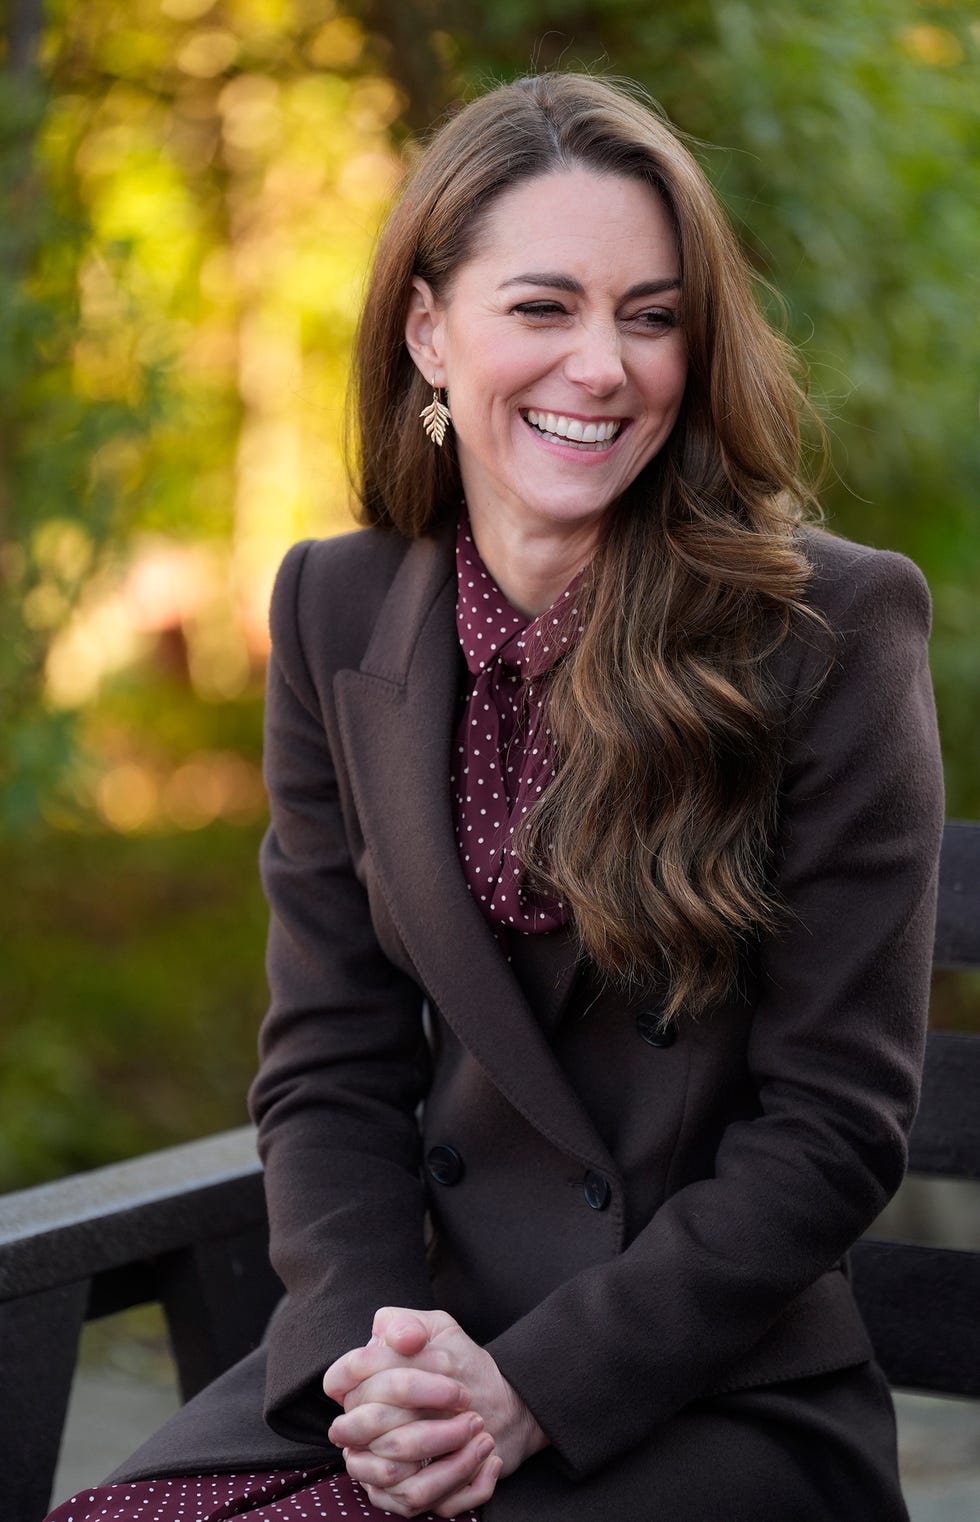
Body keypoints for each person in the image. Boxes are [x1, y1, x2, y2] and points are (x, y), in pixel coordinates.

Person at [47, 71, 943, 1522]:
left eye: (650, 316)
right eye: (544, 306)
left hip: (689, 1385)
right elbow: (329, 1065)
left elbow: (831, 1130)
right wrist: (375, 1363)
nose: (602, 365)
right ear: (428, 333)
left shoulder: (828, 634)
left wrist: (529, 1393)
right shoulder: (338, 609)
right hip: (413, 1345)